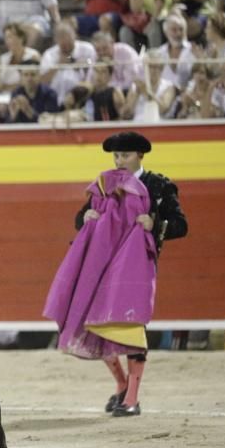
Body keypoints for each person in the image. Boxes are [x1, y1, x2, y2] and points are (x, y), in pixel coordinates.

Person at [46, 131, 187, 418]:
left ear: (140, 156)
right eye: (116, 156)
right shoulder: (106, 183)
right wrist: (85, 218)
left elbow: (181, 225)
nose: (120, 161)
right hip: (101, 264)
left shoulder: (157, 185)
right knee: (94, 322)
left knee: (131, 326)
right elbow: (80, 217)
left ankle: (132, 398)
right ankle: (122, 383)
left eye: (125, 155)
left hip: (136, 266)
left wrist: (154, 222)